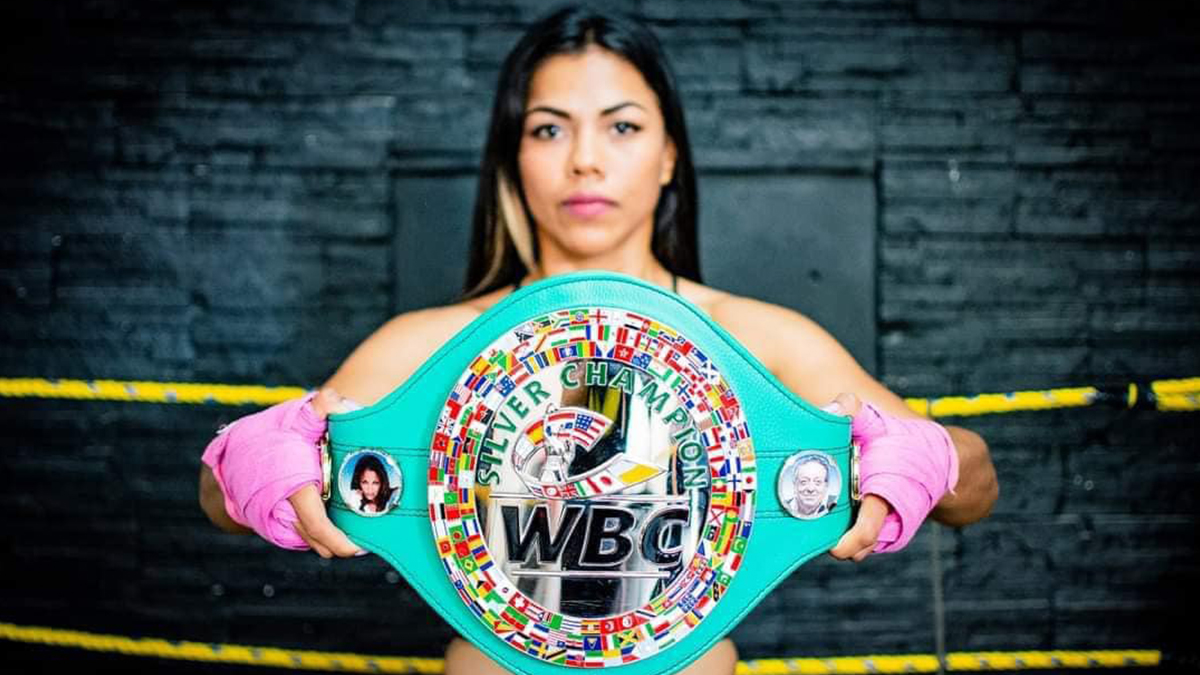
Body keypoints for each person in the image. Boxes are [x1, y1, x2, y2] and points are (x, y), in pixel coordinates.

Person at [199, 6, 999, 675]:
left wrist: (928, 458)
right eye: (549, 129)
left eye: (621, 126)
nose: (585, 160)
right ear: (514, 159)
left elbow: (977, 484)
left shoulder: (760, 340)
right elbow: (217, 493)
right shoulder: (428, 346)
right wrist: (250, 461)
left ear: (669, 155)